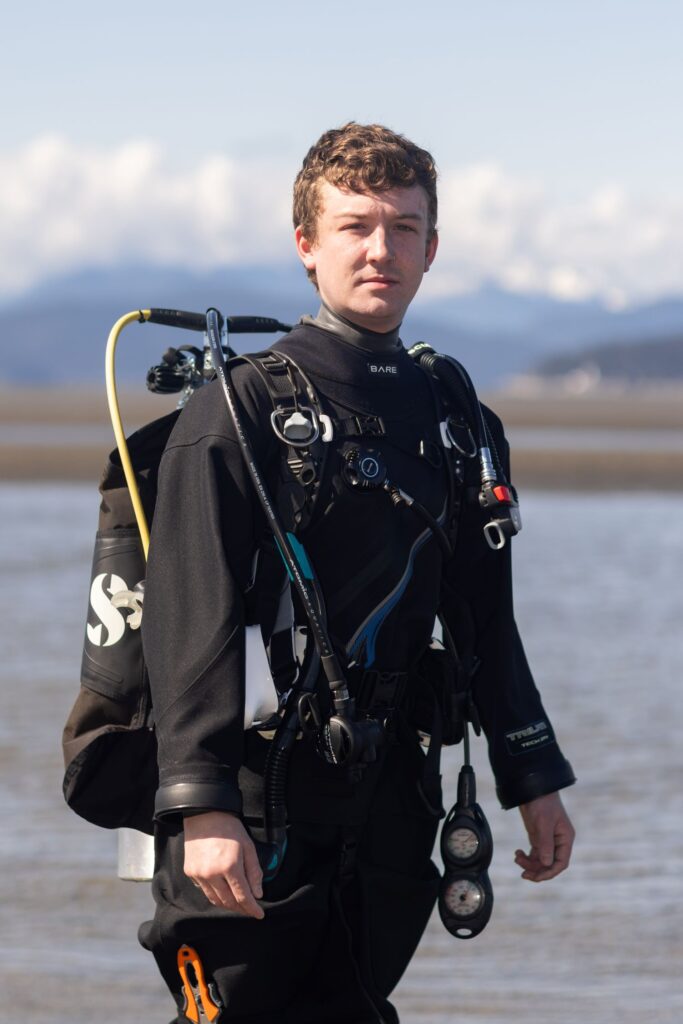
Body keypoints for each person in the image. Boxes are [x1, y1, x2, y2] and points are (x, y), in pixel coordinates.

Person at [139, 122, 576, 1024]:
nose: (381, 250)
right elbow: (189, 619)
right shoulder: (240, 410)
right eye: (354, 226)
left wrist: (530, 774)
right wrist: (201, 808)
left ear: (432, 247)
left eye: (404, 228)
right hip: (258, 797)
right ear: (306, 244)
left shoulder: (459, 420)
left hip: (390, 795)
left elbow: (485, 619)